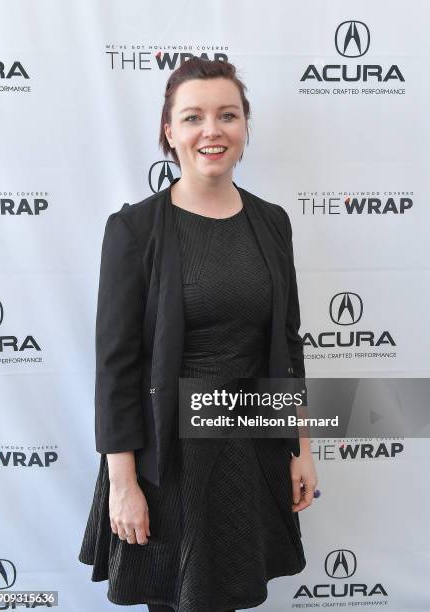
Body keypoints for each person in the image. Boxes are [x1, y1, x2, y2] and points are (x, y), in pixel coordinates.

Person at [79, 56, 318, 612]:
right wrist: (123, 482)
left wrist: (300, 447)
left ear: (245, 127)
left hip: (249, 447)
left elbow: (287, 343)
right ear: (169, 132)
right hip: (169, 460)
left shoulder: (272, 222)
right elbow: (117, 367)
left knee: (228, 599)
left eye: (227, 115)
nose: (212, 130)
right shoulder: (134, 229)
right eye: (192, 117)